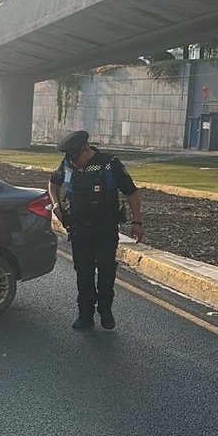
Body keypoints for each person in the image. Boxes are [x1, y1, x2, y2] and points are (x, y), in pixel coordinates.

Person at [47, 130, 143, 330]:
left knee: (107, 270)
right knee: (83, 272)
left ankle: (105, 309)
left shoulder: (109, 164)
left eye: (76, 159)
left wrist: (137, 222)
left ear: (85, 149)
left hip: (105, 228)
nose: (73, 163)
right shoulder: (67, 164)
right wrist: (56, 205)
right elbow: (53, 184)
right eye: (70, 160)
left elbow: (132, 192)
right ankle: (85, 315)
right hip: (79, 229)